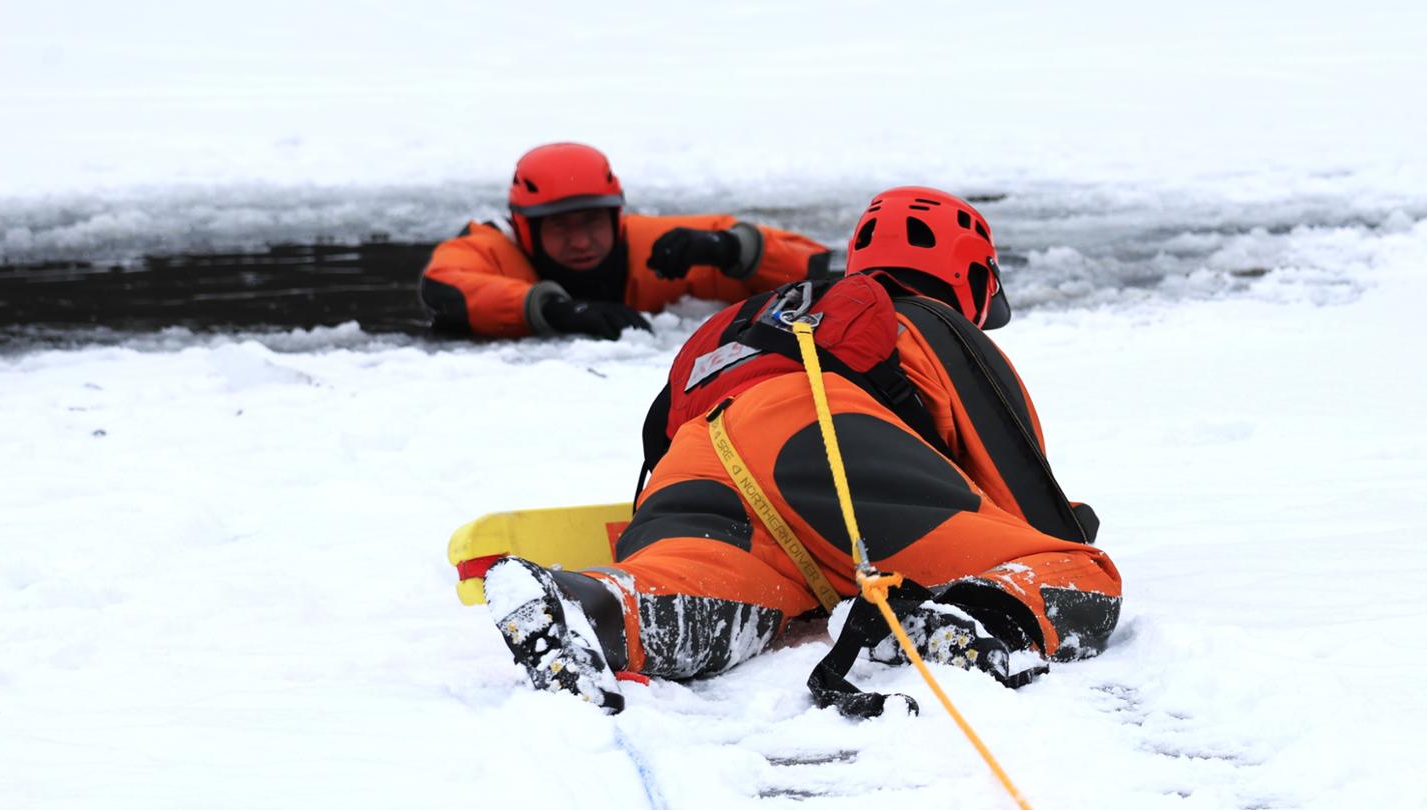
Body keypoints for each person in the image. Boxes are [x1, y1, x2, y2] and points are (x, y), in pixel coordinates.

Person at [483, 187, 1121, 713]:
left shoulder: (766, 318)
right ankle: (951, 621)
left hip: (699, 457)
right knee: (1081, 579)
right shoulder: (930, 319)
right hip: (822, 440)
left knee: (712, 602)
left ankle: (584, 606)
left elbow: (663, 434)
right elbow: (1030, 506)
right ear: (975, 277)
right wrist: (1060, 535)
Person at [419, 142, 831, 339]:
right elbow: (444, 287)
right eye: (560, 227)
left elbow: (821, 269)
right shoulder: (493, 248)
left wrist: (726, 249)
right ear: (526, 227)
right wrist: (558, 310)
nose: (580, 241)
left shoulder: (652, 245)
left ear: (616, 217)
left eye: (592, 222)